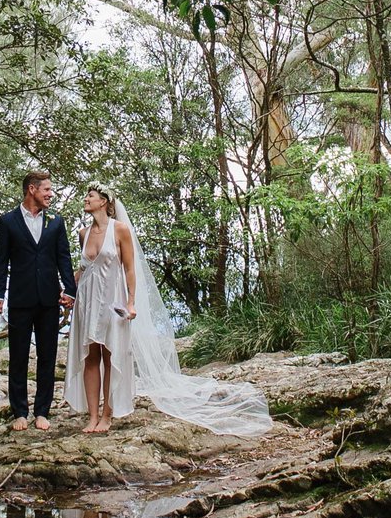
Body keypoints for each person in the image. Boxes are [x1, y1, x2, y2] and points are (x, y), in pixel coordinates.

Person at [63, 185, 273, 437]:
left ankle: (107, 414)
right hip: (88, 300)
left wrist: (131, 303)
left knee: (110, 355)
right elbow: (85, 269)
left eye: (91, 196)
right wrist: (69, 292)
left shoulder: (120, 230)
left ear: (105, 202)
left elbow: (130, 269)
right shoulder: (83, 233)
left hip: (112, 299)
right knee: (91, 356)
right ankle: (92, 416)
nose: (86, 199)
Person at [0, 170, 75, 431]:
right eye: (47, 189)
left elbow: (64, 258)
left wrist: (70, 290)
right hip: (20, 298)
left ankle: (42, 412)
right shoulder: (7, 222)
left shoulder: (56, 222)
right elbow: (2, 261)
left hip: (49, 299)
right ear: (32, 190)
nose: (51, 194)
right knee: (18, 356)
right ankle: (19, 412)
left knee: (47, 356)